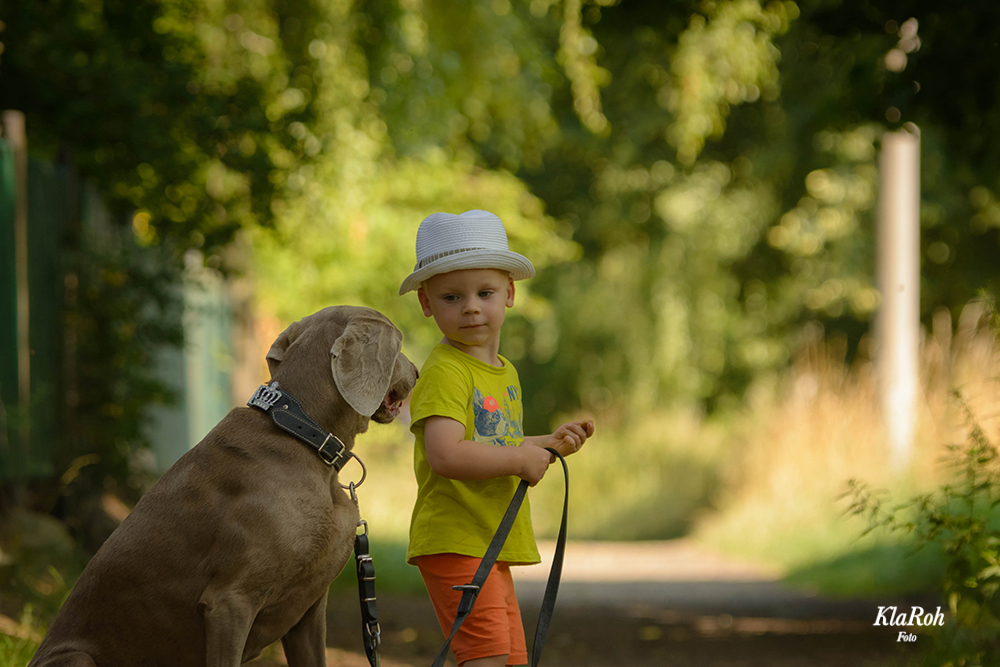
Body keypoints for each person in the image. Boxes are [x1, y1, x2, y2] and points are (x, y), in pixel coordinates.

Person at [399, 210, 594, 667]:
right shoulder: (446, 371)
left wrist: (546, 444)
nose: (470, 307)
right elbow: (446, 454)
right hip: (456, 539)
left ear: (508, 293)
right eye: (452, 296)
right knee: (485, 658)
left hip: (488, 540)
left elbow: (493, 440)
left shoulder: (503, 371)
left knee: (509, 661)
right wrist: (518, 462)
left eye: (484, 293)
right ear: (427, 303)